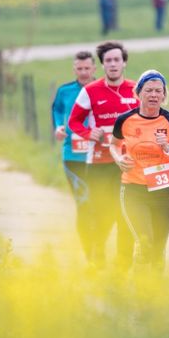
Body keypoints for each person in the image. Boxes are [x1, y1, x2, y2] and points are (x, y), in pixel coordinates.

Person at [110, 70, 169, 272]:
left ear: (164, 95)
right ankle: (142, 288)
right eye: (149, 90)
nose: (154, 95)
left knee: (158, 248)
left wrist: (168, 148)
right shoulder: (125, 120)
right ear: (139, 93)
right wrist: (119, 158)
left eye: (158, 91)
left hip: (163, 192)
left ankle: (155, 294)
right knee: (145, 243)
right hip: (133, 190)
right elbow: (114, 145)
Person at [68, 41, 138, 270]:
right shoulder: (90, 91)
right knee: (101, 216)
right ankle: (97, 262)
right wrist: (90, 133)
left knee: (125, 215)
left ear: (124, 62)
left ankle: (123, 266)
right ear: (103, 64)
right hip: (98, 163)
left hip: (127, 164)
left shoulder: (135, 89)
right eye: (108, 60)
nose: (113, 64)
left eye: (117, 59)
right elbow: (73, 121)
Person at [51, 51, 97, 263]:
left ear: (94, 69)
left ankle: (100, 247)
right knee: (84, 203)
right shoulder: (65, 91)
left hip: (99, 157)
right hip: (73, 156)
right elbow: (58, 113)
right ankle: (89, 252)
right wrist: (59, 128)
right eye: (79, 69)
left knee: (102, 204)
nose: (84, 72)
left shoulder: (102, 91)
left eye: (87, 68)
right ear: (74, 69)